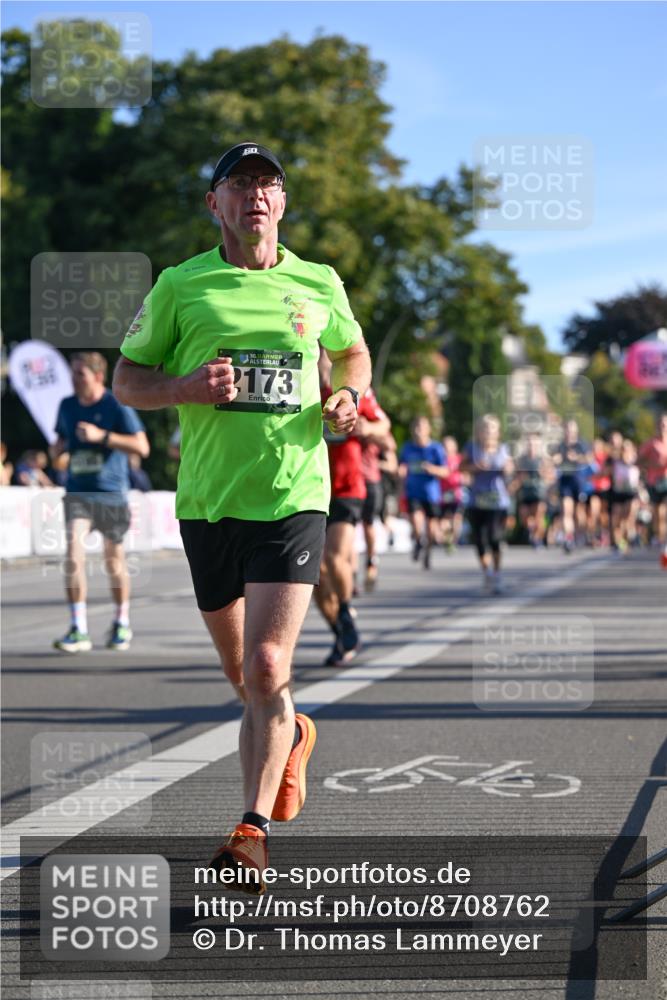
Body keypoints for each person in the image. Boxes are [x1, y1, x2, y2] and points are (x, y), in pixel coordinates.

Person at [112, 141, 371, 892]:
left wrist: (347, 397)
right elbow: (129, 378)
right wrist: (186, 388)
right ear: (214, 204)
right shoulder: (180, 284)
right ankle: (291, 735)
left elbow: (350, 354)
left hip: (293, 496)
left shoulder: (317, 281)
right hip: (207, 502)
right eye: (240, 183)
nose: (256, 195)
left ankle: (249, 832)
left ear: (282, 204)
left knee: (266, 666)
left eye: (269, 184)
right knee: (244, 677)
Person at [50, 352, 149, 652]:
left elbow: (142, 446)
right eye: (72, 373)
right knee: (72, 554)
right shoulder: (66, 406)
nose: (74, 378)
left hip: (111, 493)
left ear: (97, 376)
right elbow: (60, 443)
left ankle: (122, 622)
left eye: (80, 373)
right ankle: (78, 629)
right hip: (78, 492)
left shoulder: (115, 404)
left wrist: (101, 436)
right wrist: (58, 451)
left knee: (113, 560)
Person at [315, 355, 387, 664]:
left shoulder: (351, 390)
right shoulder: (300, 388)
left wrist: (365, 427)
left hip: (347, 487)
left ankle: (345, 611)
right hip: (309, 488)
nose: (322, 362)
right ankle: (341, 631)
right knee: (313, 576)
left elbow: (385, 425)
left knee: (333, 556)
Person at [460, 414, 513, 594]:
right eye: (485, 428)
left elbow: (510, 468)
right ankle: (487, 572)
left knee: (494, 537)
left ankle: (497, 573)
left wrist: (507, 469)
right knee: (479, 540)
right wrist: (476, 468)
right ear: (479, 431)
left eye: (491, 429)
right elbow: (461, 468)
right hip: (477, 500)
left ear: (497, 432)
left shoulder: (503, 449)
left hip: (498, 501)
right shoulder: (472, 449)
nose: (488, 432)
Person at [398, 416, 448, 569]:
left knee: (432, 529)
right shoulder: (407, 448)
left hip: (431, 493)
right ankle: (419, 540)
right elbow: (401, 466)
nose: (418, 431)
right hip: (413, 491)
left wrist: (432, 469)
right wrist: (401, 472)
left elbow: (445, 471)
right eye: (416, 427)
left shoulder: (436, 449)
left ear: (428, 430)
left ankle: (428, 550)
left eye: (421, 427)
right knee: (416, 521)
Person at [550, 418, 592, 553]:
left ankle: (581, 534)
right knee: (566, 511)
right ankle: (568, 539)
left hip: (578, 481)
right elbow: (554, 460)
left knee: (579, 514)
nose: (569, 432)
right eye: (567, 430)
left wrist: (577, 458)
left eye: (571, 430)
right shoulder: (560, 446)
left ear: (576, 431)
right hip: (565, 481)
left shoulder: (581, 445)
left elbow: (590, 459)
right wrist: (556, 460)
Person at [638, 413, 667, 565]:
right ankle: (660, 539)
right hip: (655, 481)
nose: (663, 426)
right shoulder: (651, 443)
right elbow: (639, 460)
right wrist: (653, 466)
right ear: (657, 426)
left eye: (665, 423)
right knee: (659, 513)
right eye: (661, 424)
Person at [439, 435, 464, 552]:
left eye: (449, 445)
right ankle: (447, 538)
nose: (446, 448)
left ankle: (453, 539)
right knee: (444, 520)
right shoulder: (440, 459)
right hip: (442, 493)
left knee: (456, 518)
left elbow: (466, 472)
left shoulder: (460, 459)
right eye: (444, 445)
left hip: (456, 493)